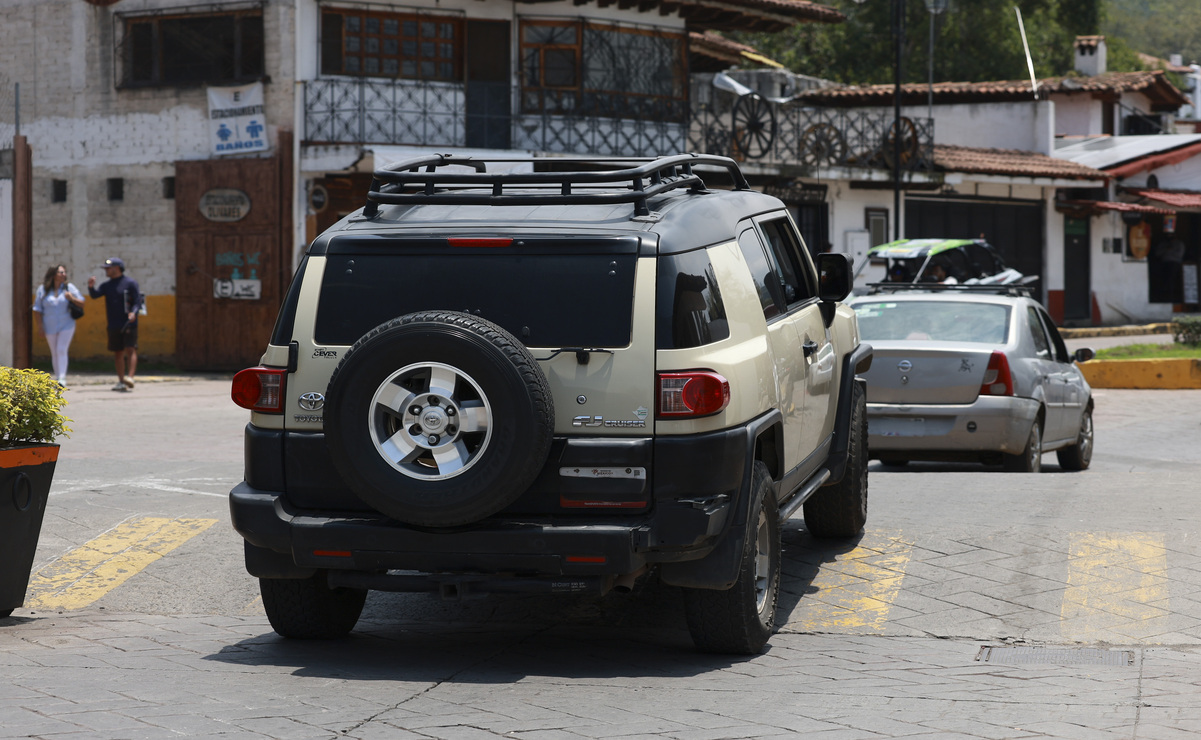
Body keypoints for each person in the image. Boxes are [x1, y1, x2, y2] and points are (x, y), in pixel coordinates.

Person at [88, 257, 143, 392]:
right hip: (113, 323)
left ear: (117, 268)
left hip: (129, 322)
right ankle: (120, 381)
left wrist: (133, 312)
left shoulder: (130, 283)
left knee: (131, 348)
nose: (106, 271)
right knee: (117, 352)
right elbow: (95, 295)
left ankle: (130, 377)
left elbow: (138, 301)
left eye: (108, 268)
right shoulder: (107, 285)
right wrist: (90, 287)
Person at [32, 264, 85, 387]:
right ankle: (58, 377)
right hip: (49, 325)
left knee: (61, 349)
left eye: (64, 272)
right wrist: (40, 327)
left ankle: (62, 377)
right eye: (61, 272)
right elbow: (37, 309)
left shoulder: (69, 287)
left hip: (67, 324)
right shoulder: (43, 289)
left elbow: (82, 303)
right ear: (53, 274)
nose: (64, 275)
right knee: (54, 352)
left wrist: (71, 298)